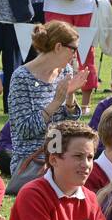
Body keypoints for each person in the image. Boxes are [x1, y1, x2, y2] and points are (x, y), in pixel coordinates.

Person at [5, 20, 87, 193]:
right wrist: (56, 103)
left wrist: (70, 97)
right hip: (32, 161)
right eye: (73, 49)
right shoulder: (22, 78)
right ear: (58, 47)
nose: (75, 55)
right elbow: (24, 130)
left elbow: (68, 127)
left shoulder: (65, 72)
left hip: (60, 155)